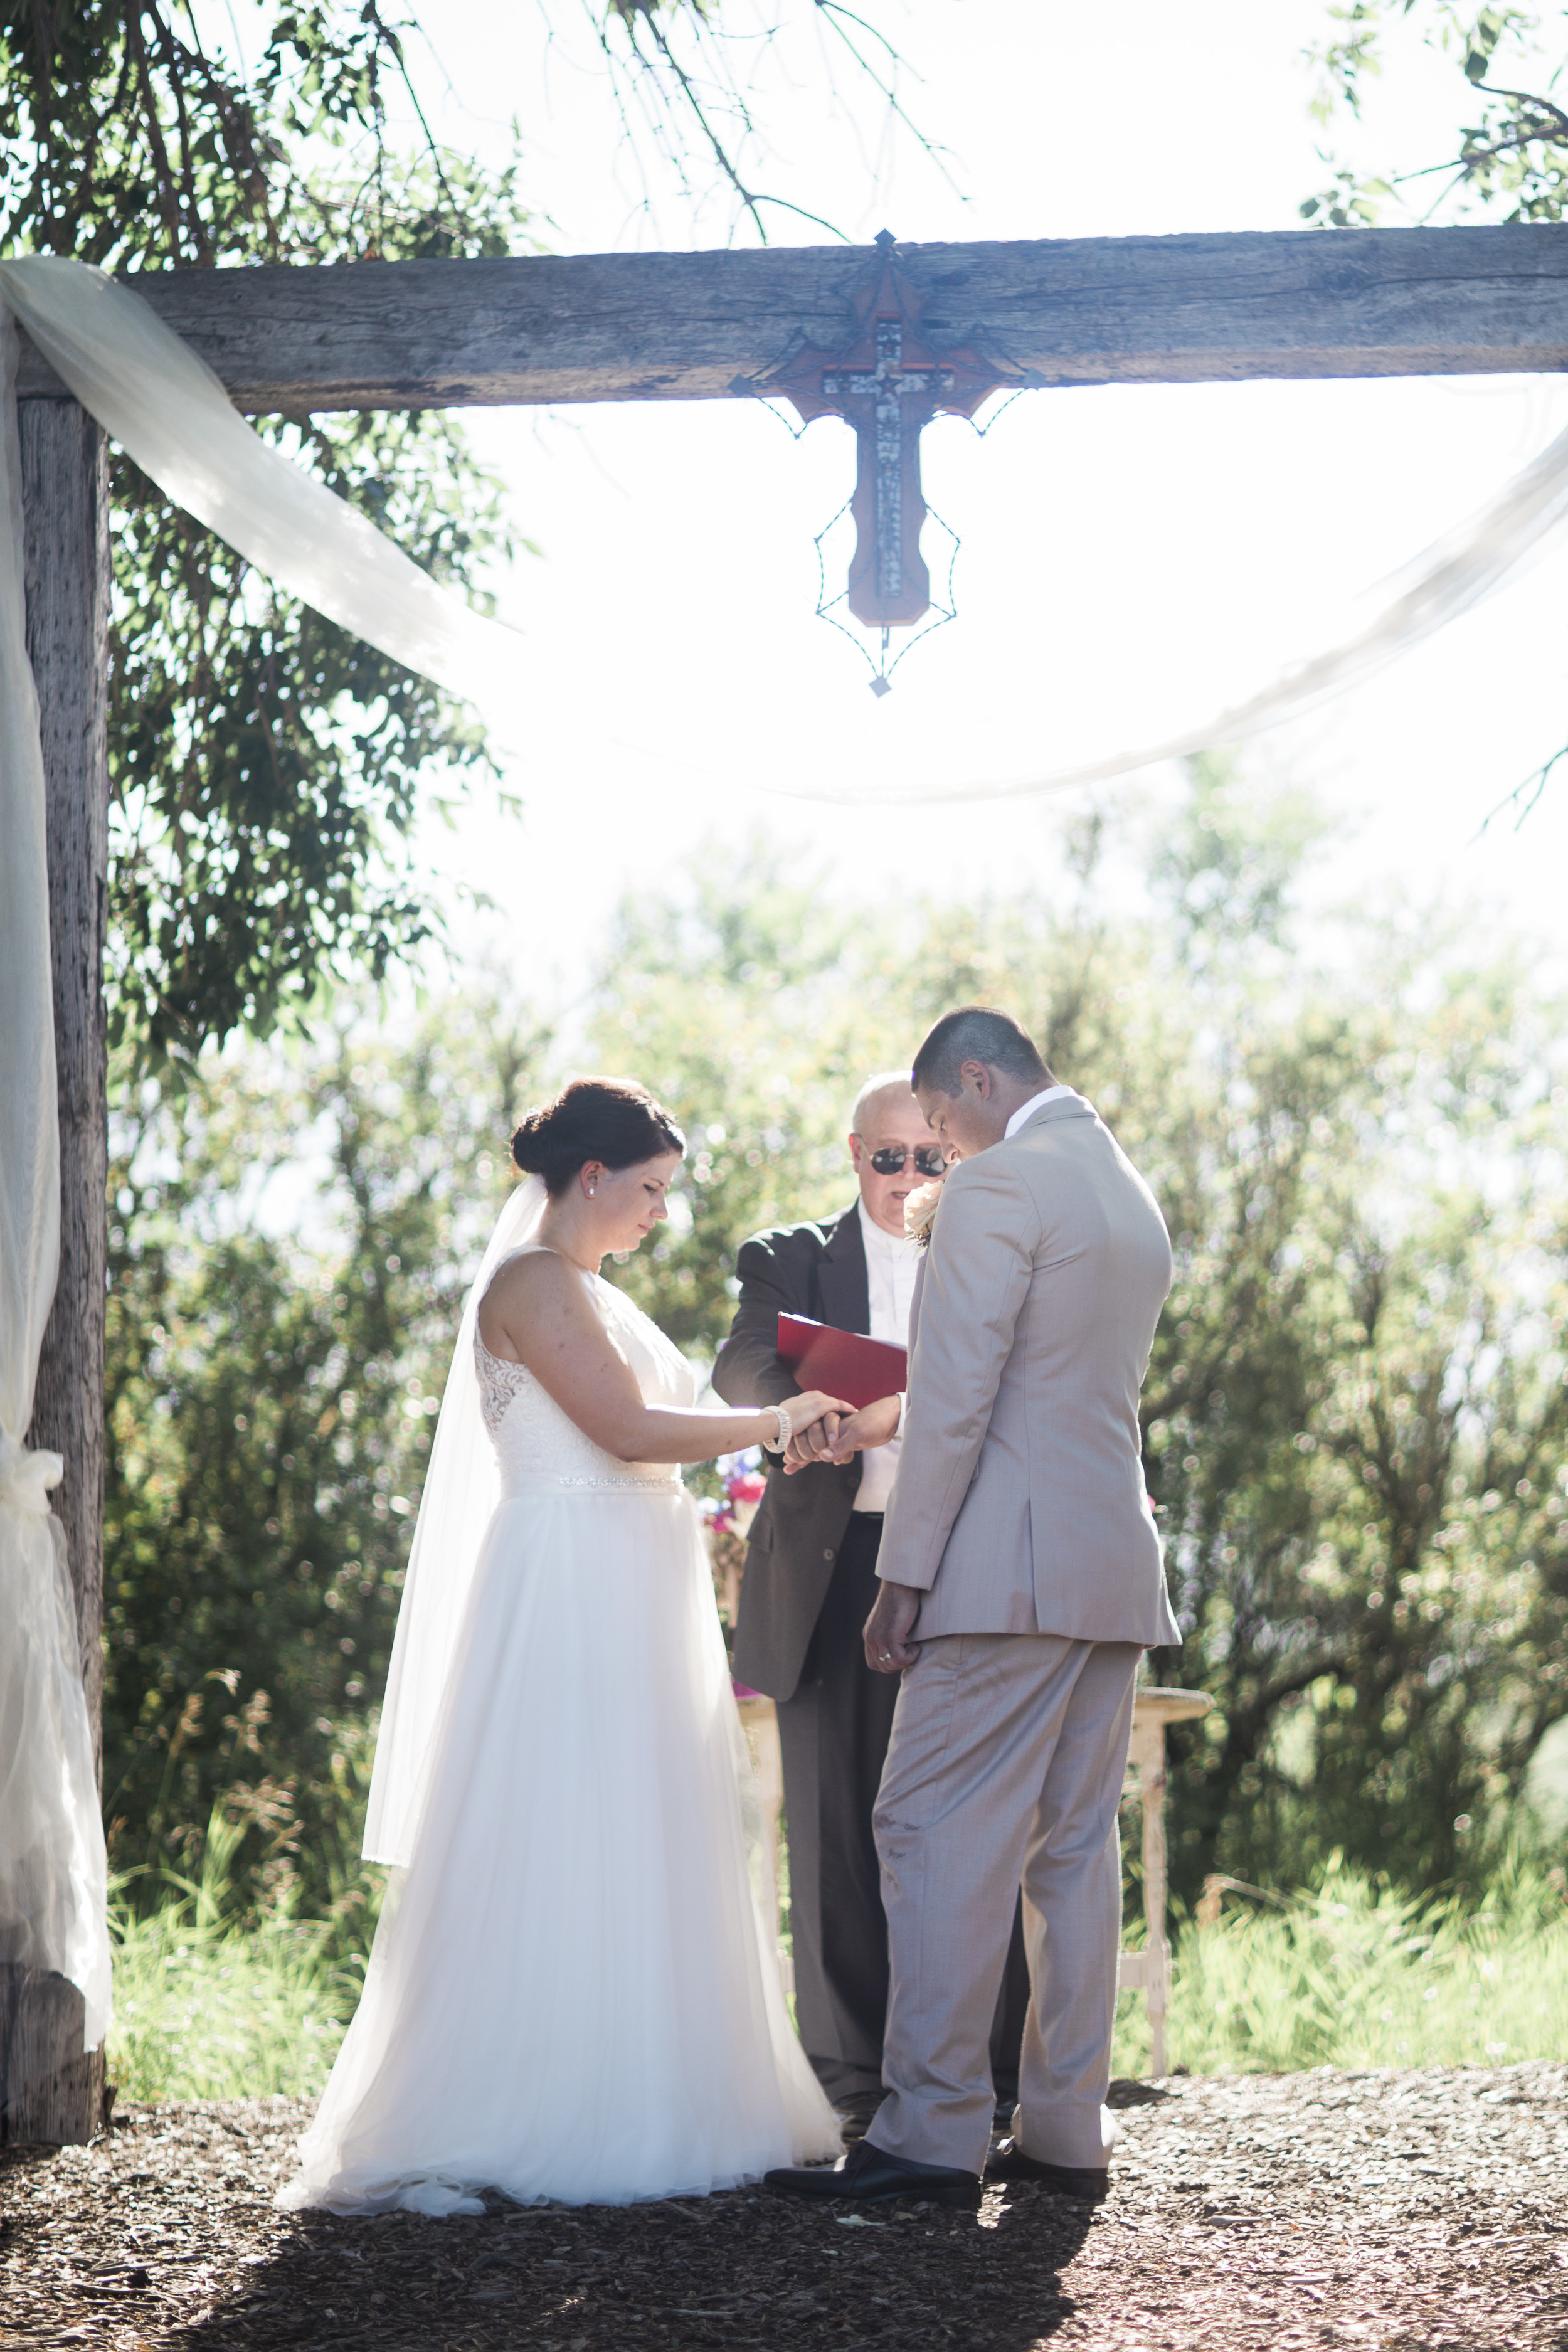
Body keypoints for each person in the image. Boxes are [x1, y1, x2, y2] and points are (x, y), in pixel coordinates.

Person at [277, 1078, 847, 2215]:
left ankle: (650, 2088)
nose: (660, 1214)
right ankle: (527, 2104)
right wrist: (783, 1417)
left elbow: (659, 1435)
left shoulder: (586, 1287)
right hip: (568, 1581)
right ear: (591, 1177)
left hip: (629, 1574)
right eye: (650, 1190)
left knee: (636, 1830)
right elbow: (629, 1429)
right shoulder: (534, 1283)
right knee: (562, 1827)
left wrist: (788, 1437)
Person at [765, 1008, 1177, 2212]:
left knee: (929, 1826)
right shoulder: (1125, 1189)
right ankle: (1062, 2122)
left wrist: (905, 1579)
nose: (939, 1153)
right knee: (1071, 1850)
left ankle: (932, 2132)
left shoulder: (1004, 1190)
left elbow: (952, 1405)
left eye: (938, 1125)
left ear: (978, 1082)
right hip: (1107, 1573)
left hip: (1003, 1575)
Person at [712, 1071, 1030, 2142]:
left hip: (959, 1559)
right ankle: (854, 2084)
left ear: (956, 1155)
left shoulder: (986, 1248)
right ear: (854, 1153)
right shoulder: (788, 1255)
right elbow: (743, 1360)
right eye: (886, 1157)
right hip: (829, 1565)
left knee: (968, 1826)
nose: (907, 1179)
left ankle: (990, 2077)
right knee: (835, 1830)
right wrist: (798, 1402)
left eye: (927, 1158)